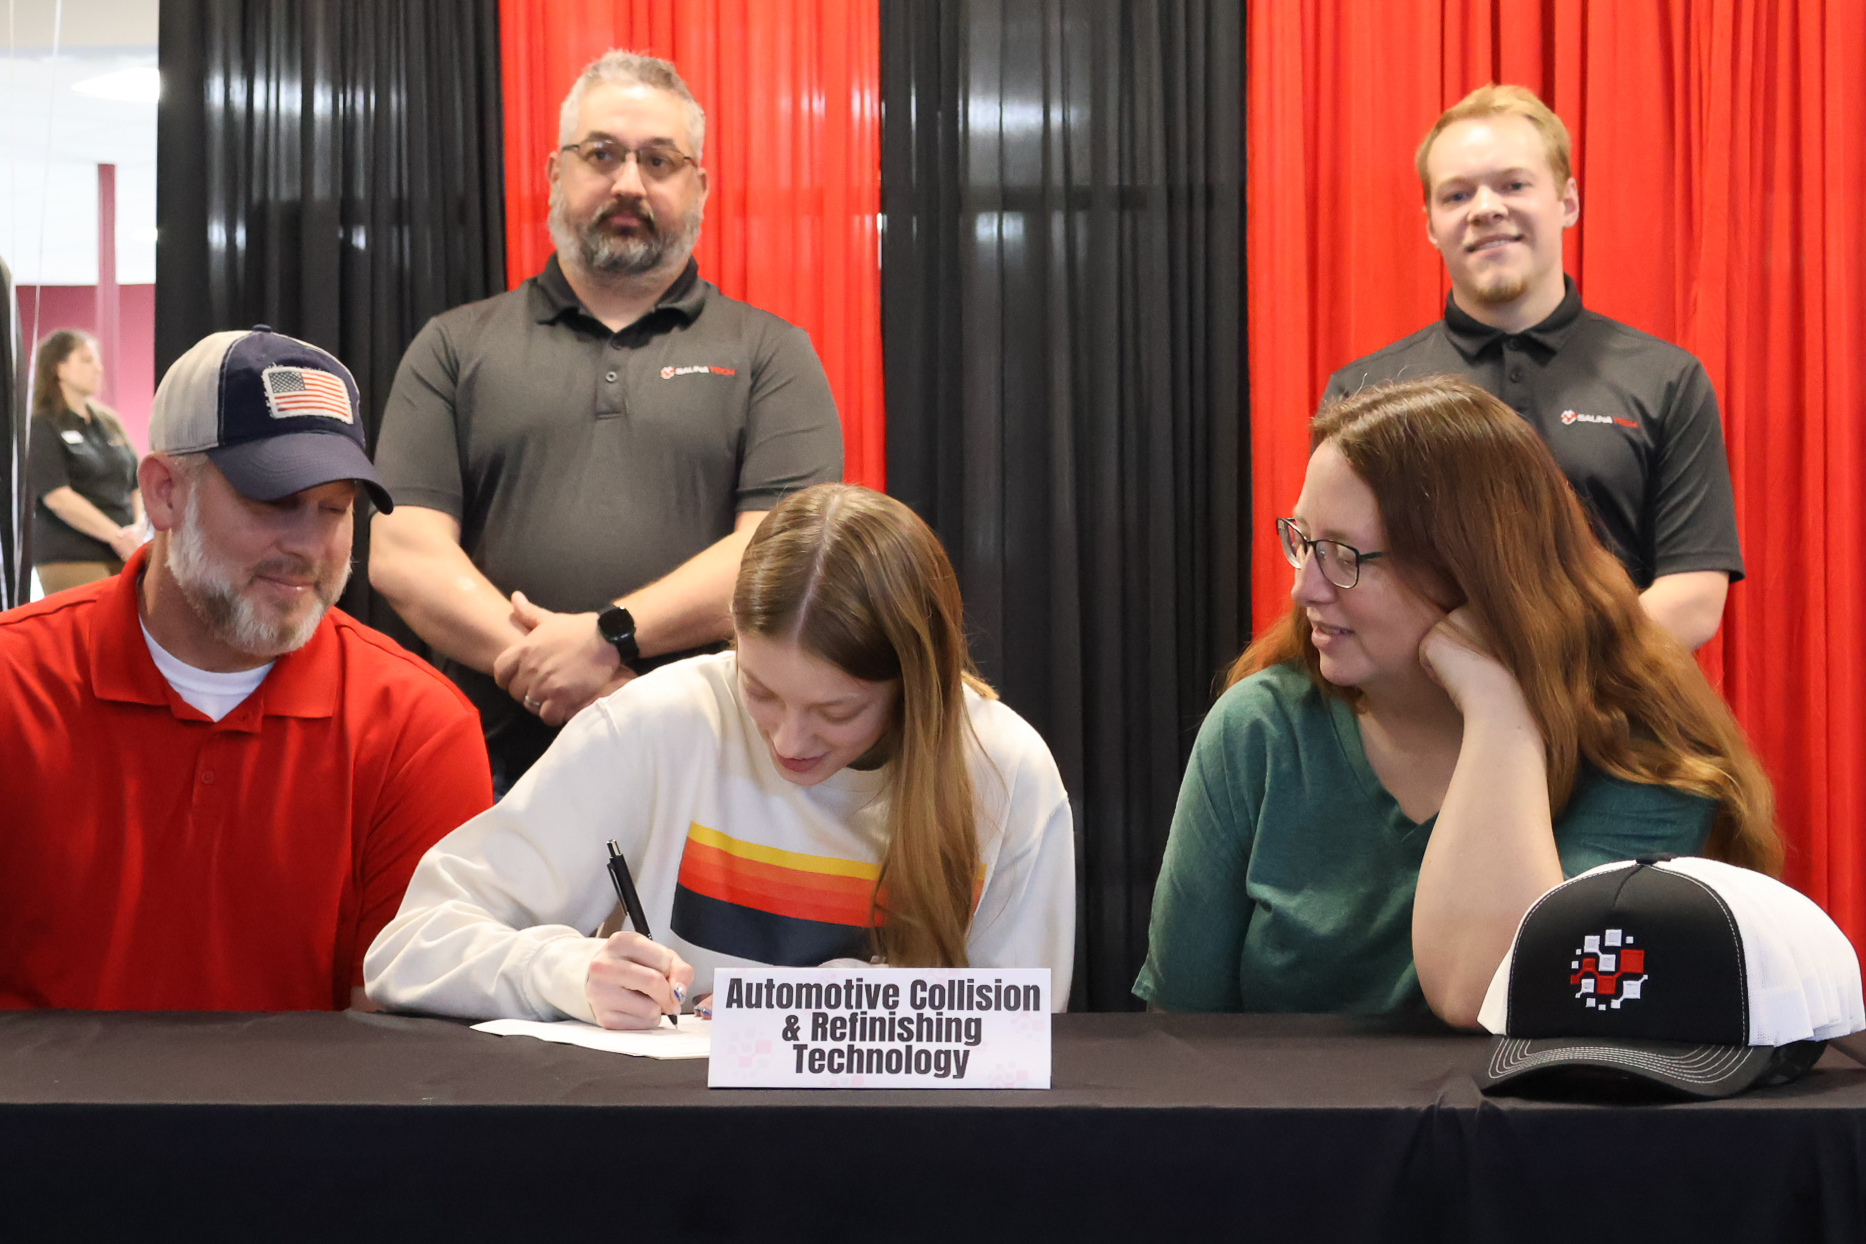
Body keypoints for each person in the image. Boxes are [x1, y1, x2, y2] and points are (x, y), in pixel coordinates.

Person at [1133, 376, 1777, 1028]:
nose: (1305, 589)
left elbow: (1495, 992)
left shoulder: (1641, 754)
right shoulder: (1261, 730)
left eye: (1343, 556)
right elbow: (1179, 1029)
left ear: (1473, 569)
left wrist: (1496, 704)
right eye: (1302, 540)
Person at [367, 484, 1076, 1027]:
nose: (788, 742)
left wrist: (832, 1008)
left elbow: (1024, 1028)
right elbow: (410, 946)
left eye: (837, 712)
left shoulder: (1005, 770)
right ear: (733, 638)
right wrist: (565, 970)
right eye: (759, 691)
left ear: (916, 686)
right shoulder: (659, 723)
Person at [369, 49, 843, 794]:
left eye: (659, 160)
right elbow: (404, 553)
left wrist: (606, 638)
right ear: (555, 173)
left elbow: (781, 556)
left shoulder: (771, 354)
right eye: (601, 154)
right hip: (485, 769)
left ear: (700, 186)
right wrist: (554, 671)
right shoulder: (453, 346)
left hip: (704, 767)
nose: (628, 182)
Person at [0, 326, 493, 1011]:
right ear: (164, 493)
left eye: (336, 509)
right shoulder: (15, 684)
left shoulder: (417, 728)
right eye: (274, 502)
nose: (310, 546)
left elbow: (400, 1039)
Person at [1322, 84, 1741, 651]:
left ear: (1567, 201)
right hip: (1428, 704)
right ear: (1431, 225)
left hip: (1612, 707)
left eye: (1513, 185)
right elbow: (1339, 574)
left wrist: (1540, 680)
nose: (1486, 208)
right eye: (1457, 195)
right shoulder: (1365, 393)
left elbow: (1694, 596)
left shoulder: (1667, 381)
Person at [27, 330, 144, 594]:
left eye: (97, 360)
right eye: (86, 360)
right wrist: (116, 536)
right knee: (94, 619)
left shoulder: (108, 421)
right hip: (72, 554)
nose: (98, 368)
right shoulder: (42, 425)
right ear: (59, 368)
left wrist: (137, 529)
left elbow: (136, 483)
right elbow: (58, 497)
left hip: (126, 549)